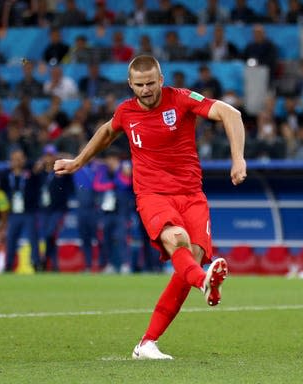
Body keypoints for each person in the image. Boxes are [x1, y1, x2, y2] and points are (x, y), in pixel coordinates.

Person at [53, 55, 247, 359]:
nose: (146, 90)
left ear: (161, 79)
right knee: (177, 240)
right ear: (131, 84)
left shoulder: (181, 100)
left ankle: (147, 342)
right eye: (139, 84)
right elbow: (106, 132)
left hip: (191, 194)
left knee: (190, 261)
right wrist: (78, 162)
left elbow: (230, 113)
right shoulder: (125, 112)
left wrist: (238, 158)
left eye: (151, 83)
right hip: (152, 194)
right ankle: (204, 282)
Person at [0, 148, 40, 272]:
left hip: (29, 212)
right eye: (15, 159)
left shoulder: (31, 173)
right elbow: (2, 190)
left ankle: (36, 263)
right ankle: (9, 264)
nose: (17, 161)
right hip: (13, 213)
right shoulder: (6, 174)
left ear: (24, 159)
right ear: (11, 160)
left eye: (20, 158)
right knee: (11, 238)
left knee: (33, 238)